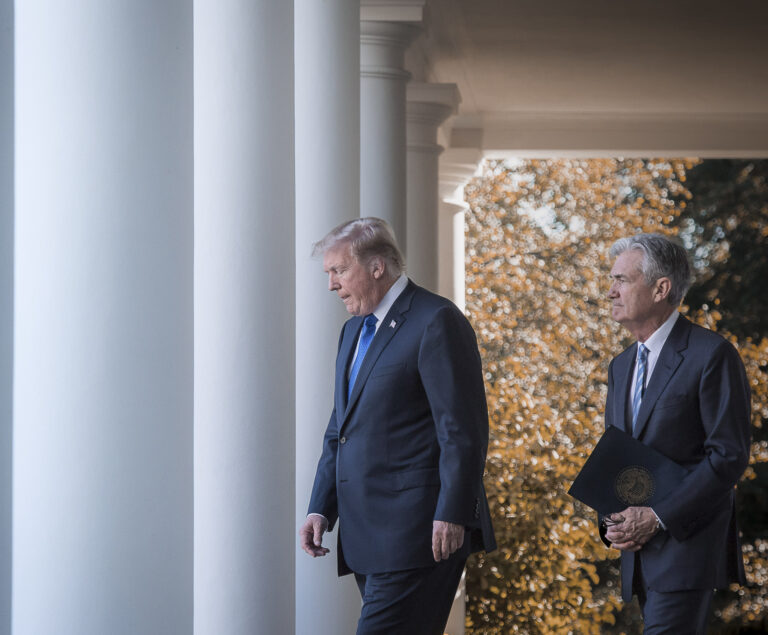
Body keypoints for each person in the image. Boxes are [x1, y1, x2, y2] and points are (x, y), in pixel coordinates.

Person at [299, 217, 496, 635]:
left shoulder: (436, 319)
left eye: (339, 270)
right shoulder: (353, 331)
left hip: (421, 534)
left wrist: (453, 512)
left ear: (377, 267)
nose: (332, 285)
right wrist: (321, 507)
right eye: (329, 273)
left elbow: (463, 430)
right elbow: (341, 428)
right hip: (368, 538)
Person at [600, 233, 752, 634]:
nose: (611, 291)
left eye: (621, 280)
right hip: (636, 555)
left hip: (686, 550)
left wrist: (657, 516)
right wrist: (611, 520)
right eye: (612, 280)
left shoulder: (712, 354)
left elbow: (729, 456)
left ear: (661, 288)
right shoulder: (620, 366)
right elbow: (615, 455)